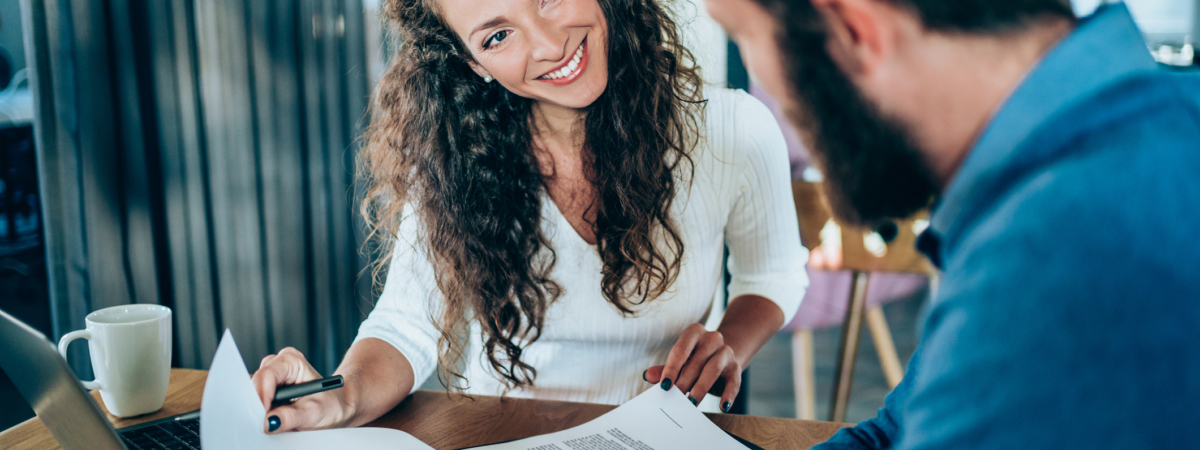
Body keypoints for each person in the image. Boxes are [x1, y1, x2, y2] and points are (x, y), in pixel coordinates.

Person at [251, 0, 808, 434]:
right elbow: (405, 327)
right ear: (475, 64)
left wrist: (729, 341)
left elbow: (774, 275)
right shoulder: (455, 163)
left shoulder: (736, 131)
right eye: (498, 35)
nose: (547, 45)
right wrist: (340, 397)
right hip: (504, 436)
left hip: (670, 432)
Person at [704, 0, 1200, 448]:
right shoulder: (1080, 150)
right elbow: (891, 433)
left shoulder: (1052, 252)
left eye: (742, 34)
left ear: (854, 30)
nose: (759, 78)